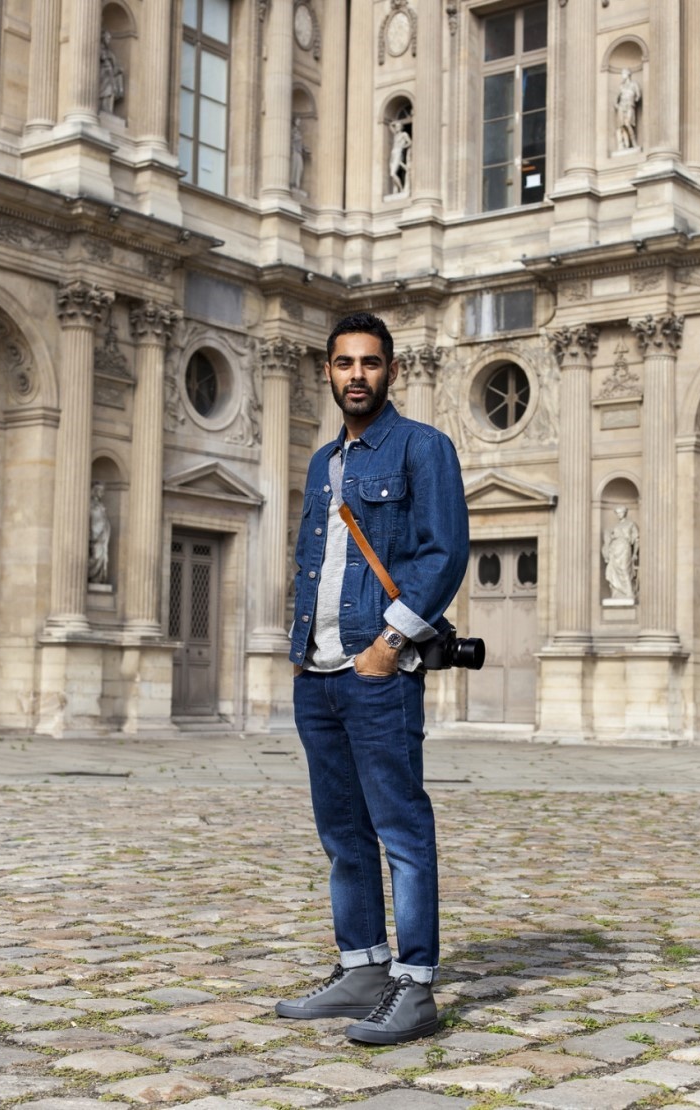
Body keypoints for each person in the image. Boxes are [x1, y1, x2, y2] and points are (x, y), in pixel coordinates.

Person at [275, 313, 469, 1045]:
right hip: (316, 673)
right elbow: (312, 562)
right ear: (326, 372)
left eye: (370, 363)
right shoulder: (322, 462)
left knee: (400, 829)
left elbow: (442, 554)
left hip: (375, 668)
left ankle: (414, 986)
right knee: (342, 831)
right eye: (343, 363)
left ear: (392, 372)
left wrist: (390, 643)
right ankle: (361, 966)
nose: (356, 374)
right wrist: (302, 651)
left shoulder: (424, 448)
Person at [602, 505, 639, 600]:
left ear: (625, 513)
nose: (619, 515)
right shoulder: (615, 526)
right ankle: (616, 593)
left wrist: (635, 553)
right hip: (614, 549)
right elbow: (609, 539)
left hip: (625, 548)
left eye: (620, 513)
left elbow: (636, 539)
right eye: (617, 513)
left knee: (624, 569)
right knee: (613, 570)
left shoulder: (631, 524)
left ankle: (629, 592)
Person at [88, 481, 111, 584]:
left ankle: (97, 579)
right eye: (101, 491)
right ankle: (92, 577)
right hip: (95, 535)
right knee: (96, 557)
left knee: (101, 557)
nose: (103, 493)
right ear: (95, 491)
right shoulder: (91, 505)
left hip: (102, 536)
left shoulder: (100, 505)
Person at [615, 68, 641, 150]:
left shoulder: (634, 84)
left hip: (630, 105)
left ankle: (633, 142)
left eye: (623, 74)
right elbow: (616, 98)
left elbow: (638, 95)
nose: (622, 76)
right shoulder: (621, 86)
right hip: (622, 106)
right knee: (622, 125)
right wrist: (617, 105)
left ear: (628, 74)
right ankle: (625, 144)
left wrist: (634, 99)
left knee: (628, 123)